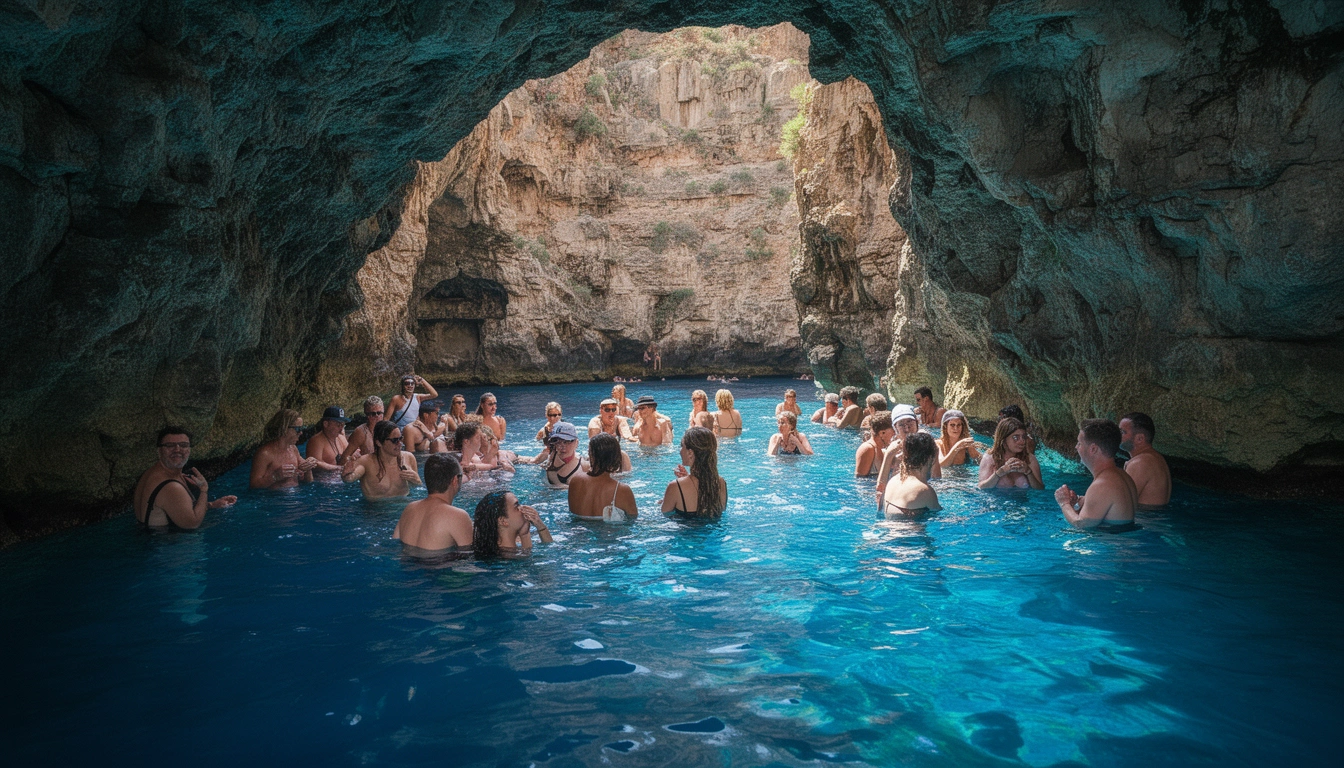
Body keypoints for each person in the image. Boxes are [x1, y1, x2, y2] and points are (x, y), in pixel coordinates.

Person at [133, 427, 236, 528]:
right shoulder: (171, 487)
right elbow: (193, 523)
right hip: (167, 542)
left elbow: (177, 508)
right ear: (159, 451)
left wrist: (212, 505)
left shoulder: (152, 472)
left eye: (183, 445)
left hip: (151, 538)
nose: (177, 449)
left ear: (189, 449)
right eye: (170, 445)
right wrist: (204, 490)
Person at [1056, 419, 1139, 529]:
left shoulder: (1102, 484)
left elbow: (1081, 524)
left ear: (1093, 449)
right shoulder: (1124, 476)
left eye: (1079, 443)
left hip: (1111, 545)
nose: (1076, 447)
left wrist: (1064, 503)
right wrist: (1076, 504)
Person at [392, 454, 472, 551]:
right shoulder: (458, 516)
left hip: (406, 563)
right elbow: (469, 555)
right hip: (437, 564)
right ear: (455, 480)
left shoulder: (409, 509)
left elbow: (395, 542)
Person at [875, 406, 943, 503]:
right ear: (895, 428)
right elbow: (880, 488)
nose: (907, 428)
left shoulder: (927, 446)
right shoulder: (892, 450)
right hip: (897, 496)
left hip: (922, 495)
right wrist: (888, 456)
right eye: (901, 424)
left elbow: (936, 480)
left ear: (917, 422)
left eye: (909, 422)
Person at [341, 420, 421, 499]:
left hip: (404, 508)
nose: (400, 444)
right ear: (379, 442)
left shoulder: (409, 458)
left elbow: (418, 488)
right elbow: (350, 478)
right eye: (395, 440)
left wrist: (416, 480)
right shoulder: (366, 462)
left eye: (400, 438)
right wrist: (346, 475)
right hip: (377, 510)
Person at [568, 433, 638, 521]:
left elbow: (573, 515)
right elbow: (633, 519)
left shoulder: (575, 481)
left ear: (591, 455)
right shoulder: (622, 490)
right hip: (610, 532)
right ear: (615, 457)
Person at [661, 426, 727, 518]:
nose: (680, 451)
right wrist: (687, 477)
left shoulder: (676, 486)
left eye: (682, 446)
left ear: (690, 453)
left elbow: (664, 514)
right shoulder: (721, 483)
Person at [249, 409, 317, 489]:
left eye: (302, 429)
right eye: (298, 429)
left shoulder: (293, 449)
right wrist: (275, 477)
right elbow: (253, 485)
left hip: (295, 496)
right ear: (284, 429)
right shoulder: (265, 454)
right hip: (273, 498)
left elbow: (309, 482)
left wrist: (308, 467)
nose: (301, 433)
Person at [471, 491, 552, 557]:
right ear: (503, 521)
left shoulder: (493, 551)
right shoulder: (507, 557)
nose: (522, 508)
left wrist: (526, 533)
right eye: (517, 506)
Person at [882, 432, 942, 516]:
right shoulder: (924, 491)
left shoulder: (894, 480)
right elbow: (939, 516)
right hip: (911, 528)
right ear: (930, 457)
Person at [1120, 412, 1171, 508]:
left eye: (1122, 432)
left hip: (1144, 519)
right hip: (1154, 518)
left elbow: (1121, 504)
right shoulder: (1156, 458)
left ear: (1140, 438)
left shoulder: (1140, 463)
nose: (1117, 435)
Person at [978, 417, 1044, 490]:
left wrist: (1028, 472)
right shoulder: (990, 458)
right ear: (1003, 440)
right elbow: (981, 487)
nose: (1022, 441)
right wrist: (999, 473)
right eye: (1016, 437)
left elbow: (1040, 488)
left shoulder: (1029, 459)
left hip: (1023, 501)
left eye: (1024, 437)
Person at [339, 396, 385, 464]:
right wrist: (355, 460)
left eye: (379, 413)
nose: (377, 416)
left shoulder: (387, 429)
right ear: (366, 414)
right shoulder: (361, 432)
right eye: (373, 414)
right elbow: (344, 458)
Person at [306, 406, 350, 473]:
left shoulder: (341, 438)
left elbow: (351, 455)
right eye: (338, 425)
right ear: (326, 424)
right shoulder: (316, 441)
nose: (341, 429)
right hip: (324, 479)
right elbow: (314, 463)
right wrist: (338, 468)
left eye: (343, 425)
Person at [855, 411, 893, 477]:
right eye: (894, 431)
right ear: (882, 433)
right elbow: (860, 482)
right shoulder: (868, 449)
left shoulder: (883, 449)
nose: (895, 434)